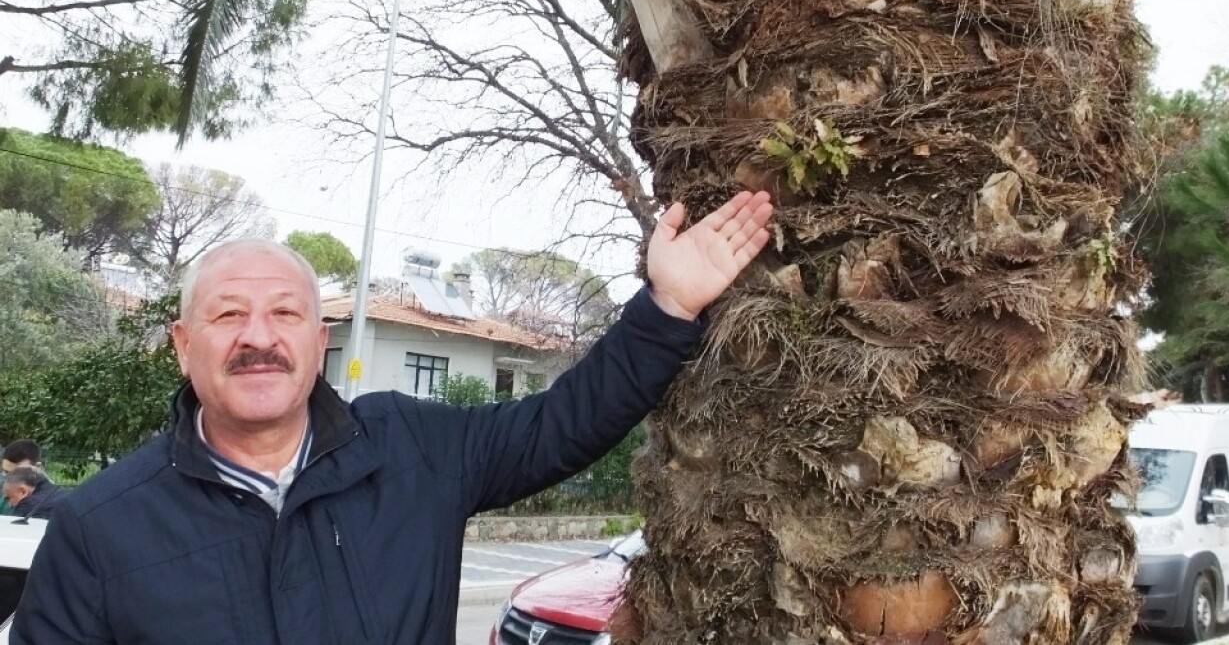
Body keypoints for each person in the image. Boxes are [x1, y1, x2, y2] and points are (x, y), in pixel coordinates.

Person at [12, 191, 774, 644]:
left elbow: (562, 421)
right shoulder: (101, 525)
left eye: (284, 313)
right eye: (228, 315)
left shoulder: (411, 450)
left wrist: (669, 306)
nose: (258, 338)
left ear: (319, 341)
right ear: (183, 346)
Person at [1, 440, 45, 516]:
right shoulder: (4, 492)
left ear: (37, 467)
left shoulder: (51, 504)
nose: (8, 479)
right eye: (6, 472)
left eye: (16, 473)